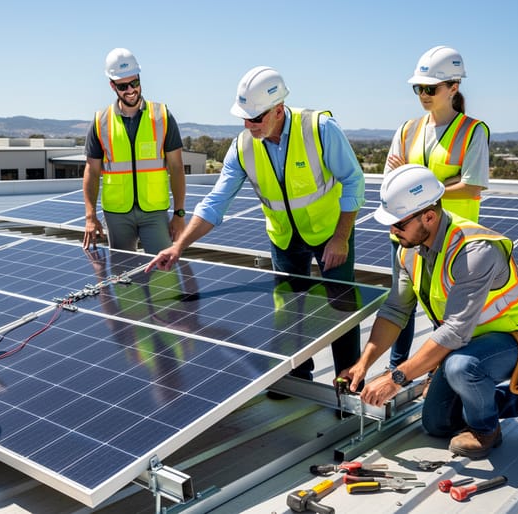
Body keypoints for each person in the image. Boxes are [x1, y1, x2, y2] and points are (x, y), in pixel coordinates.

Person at [146, 66, 366, 384]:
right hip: (284, 239)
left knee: (340, 307)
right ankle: (297, 378)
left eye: (256, 118)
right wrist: (179, 246)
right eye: (244, 119)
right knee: (288, 310)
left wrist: (341, 237)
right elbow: (215, 202)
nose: (249, 125)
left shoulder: (319, 129)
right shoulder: (242, 147)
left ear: (279, 109)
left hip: (331, 232)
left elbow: (354, 180)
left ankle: (349, 382)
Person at [340, 164, 518, 459]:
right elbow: (395, 310)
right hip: (469, 342)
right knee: (437, 423)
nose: (393, 231)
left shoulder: (475, 250)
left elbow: (455, 331)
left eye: (399, 224)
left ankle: (485, 430)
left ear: (429, 217)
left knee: (461, 367)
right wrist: (363, 364)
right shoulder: (408, 250)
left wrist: (396, 378)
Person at [385, 46, 490, 369]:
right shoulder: (407, 130)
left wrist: (416, 185)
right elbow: (392, 181)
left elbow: (473, 185)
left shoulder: (473, 131)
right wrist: (445, 184)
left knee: (445, 311)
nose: (423, 95)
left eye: (431, 89)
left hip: (451, 239)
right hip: (407, 235)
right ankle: (396, 368)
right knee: (400, 305)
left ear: (453, 87)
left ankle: (439, 373)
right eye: (419, 88)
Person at [82, 47, 187, 255]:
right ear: (112, 86)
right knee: (122, 271)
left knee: (162, 269)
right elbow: (91, 171)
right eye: (123, 86)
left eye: (135, 83)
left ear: (139, 78)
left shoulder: (162, 116)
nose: (131, 90)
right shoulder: (101, 121)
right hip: (117, 214)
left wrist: (179, 213)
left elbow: (176, 168)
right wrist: (90, 216)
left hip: (154, 211)